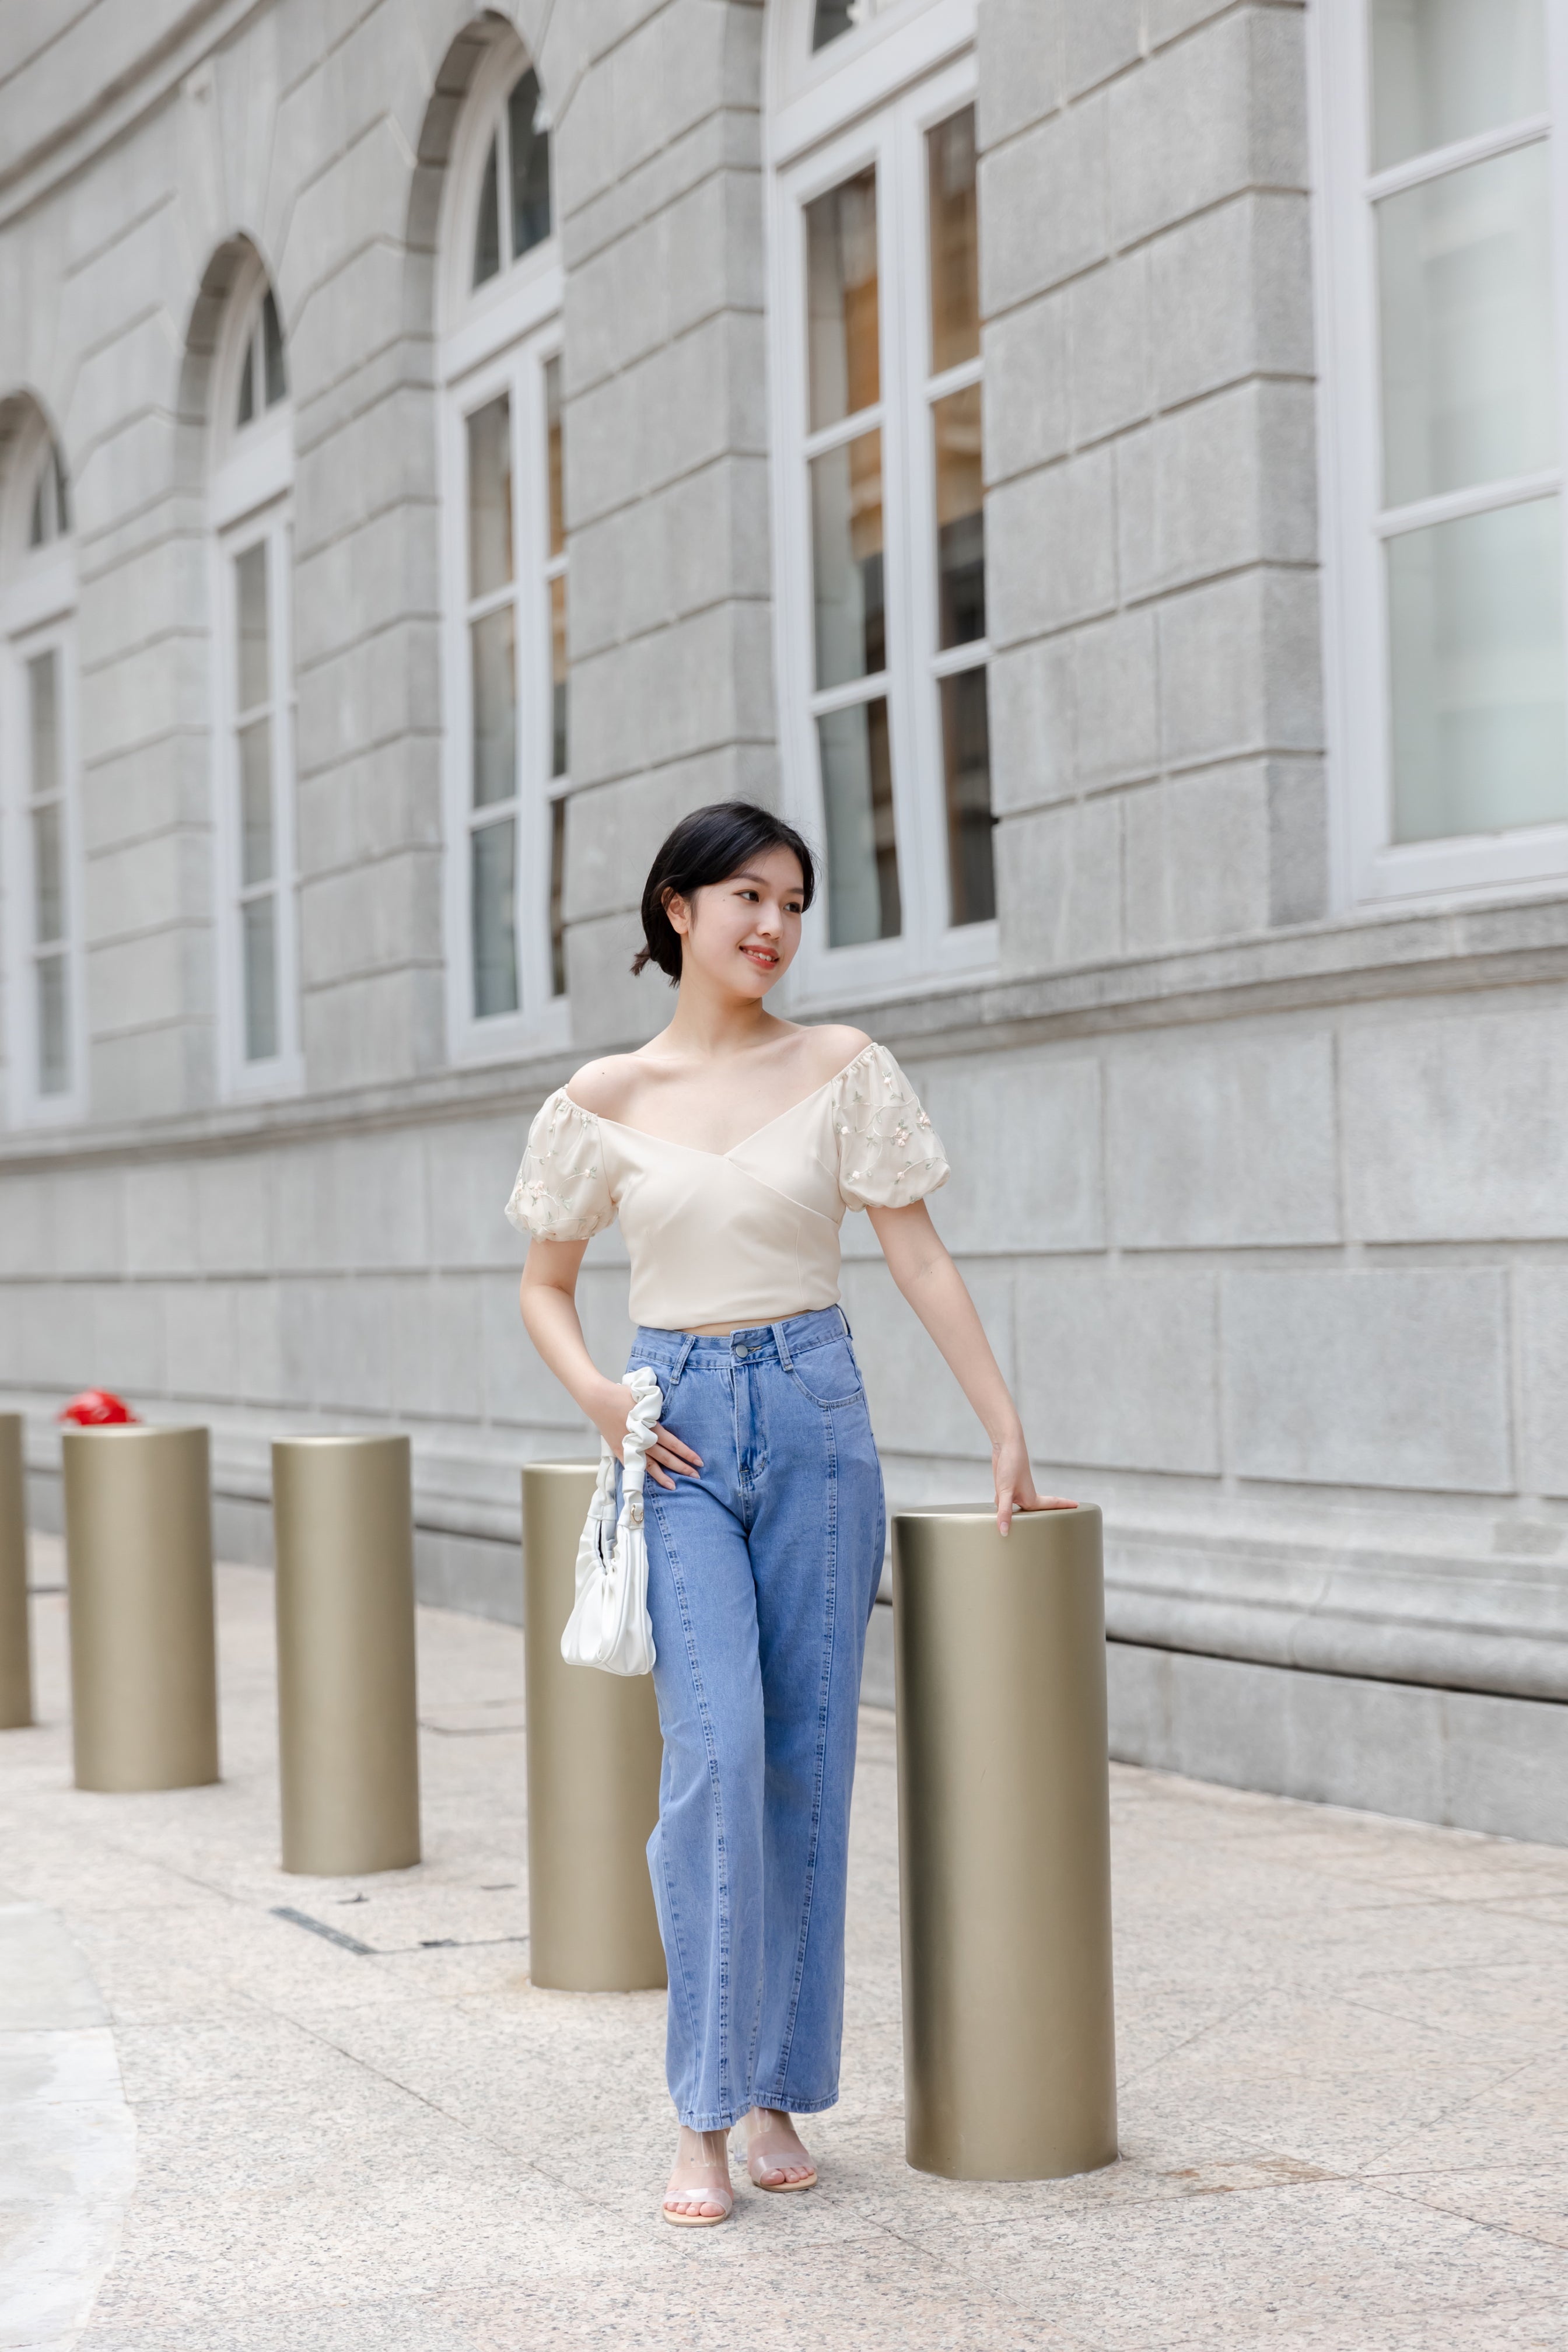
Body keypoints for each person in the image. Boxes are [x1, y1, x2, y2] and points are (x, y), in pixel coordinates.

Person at [507, 800, 1072, 2227]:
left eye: (795, 901)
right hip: (678, 1430)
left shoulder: (843, 1069)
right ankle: (699, 2111)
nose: (773, 925)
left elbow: (920, 1260)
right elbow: (545, 1283)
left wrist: (1004, 1424)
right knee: (714, 1751)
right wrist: (601, 1401)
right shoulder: (607, 1098)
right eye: (745, 896)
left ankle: (772, 2087)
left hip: (819, 1416)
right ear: (677, 910)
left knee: (805, 1759)